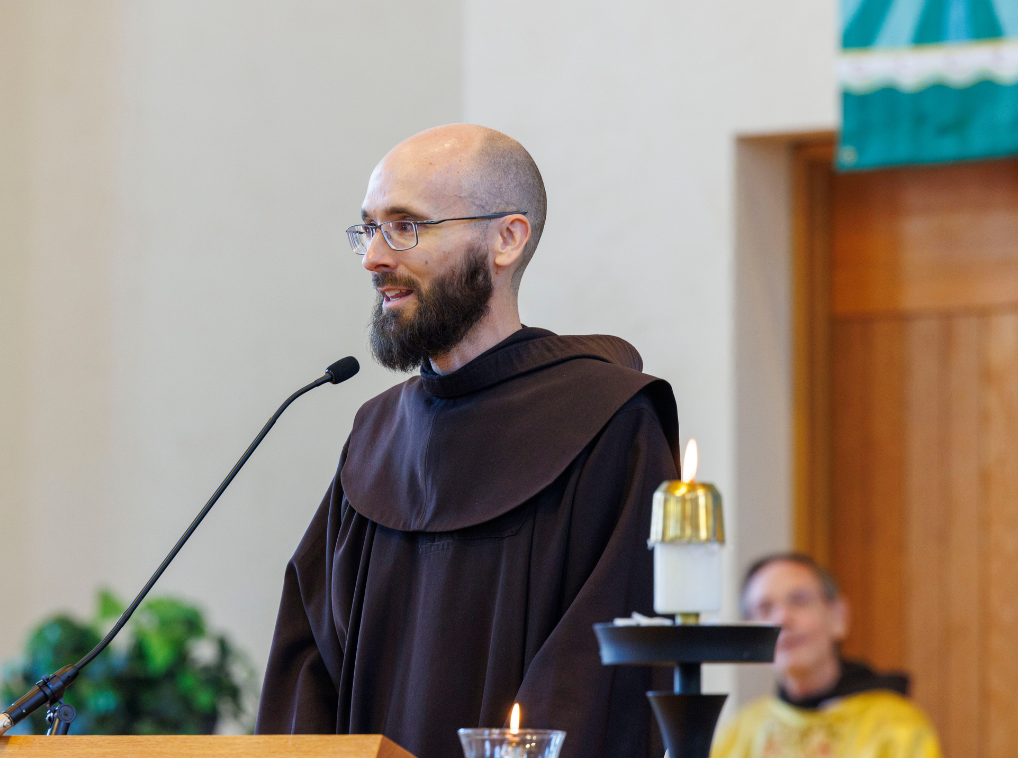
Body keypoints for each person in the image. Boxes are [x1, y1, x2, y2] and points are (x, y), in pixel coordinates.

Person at [254, 124, 681, 758]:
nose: (375, 257)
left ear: (506, 238)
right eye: (368, 228)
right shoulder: (376, 437)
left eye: (406, 226)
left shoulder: (607, 421)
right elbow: (309, 664)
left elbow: (598, 675)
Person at [712, 554, 942, 758]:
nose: (781, 619)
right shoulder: (738, 735)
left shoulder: (896, 728)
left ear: (837, 616)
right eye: (764, 608)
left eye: (799, 601)